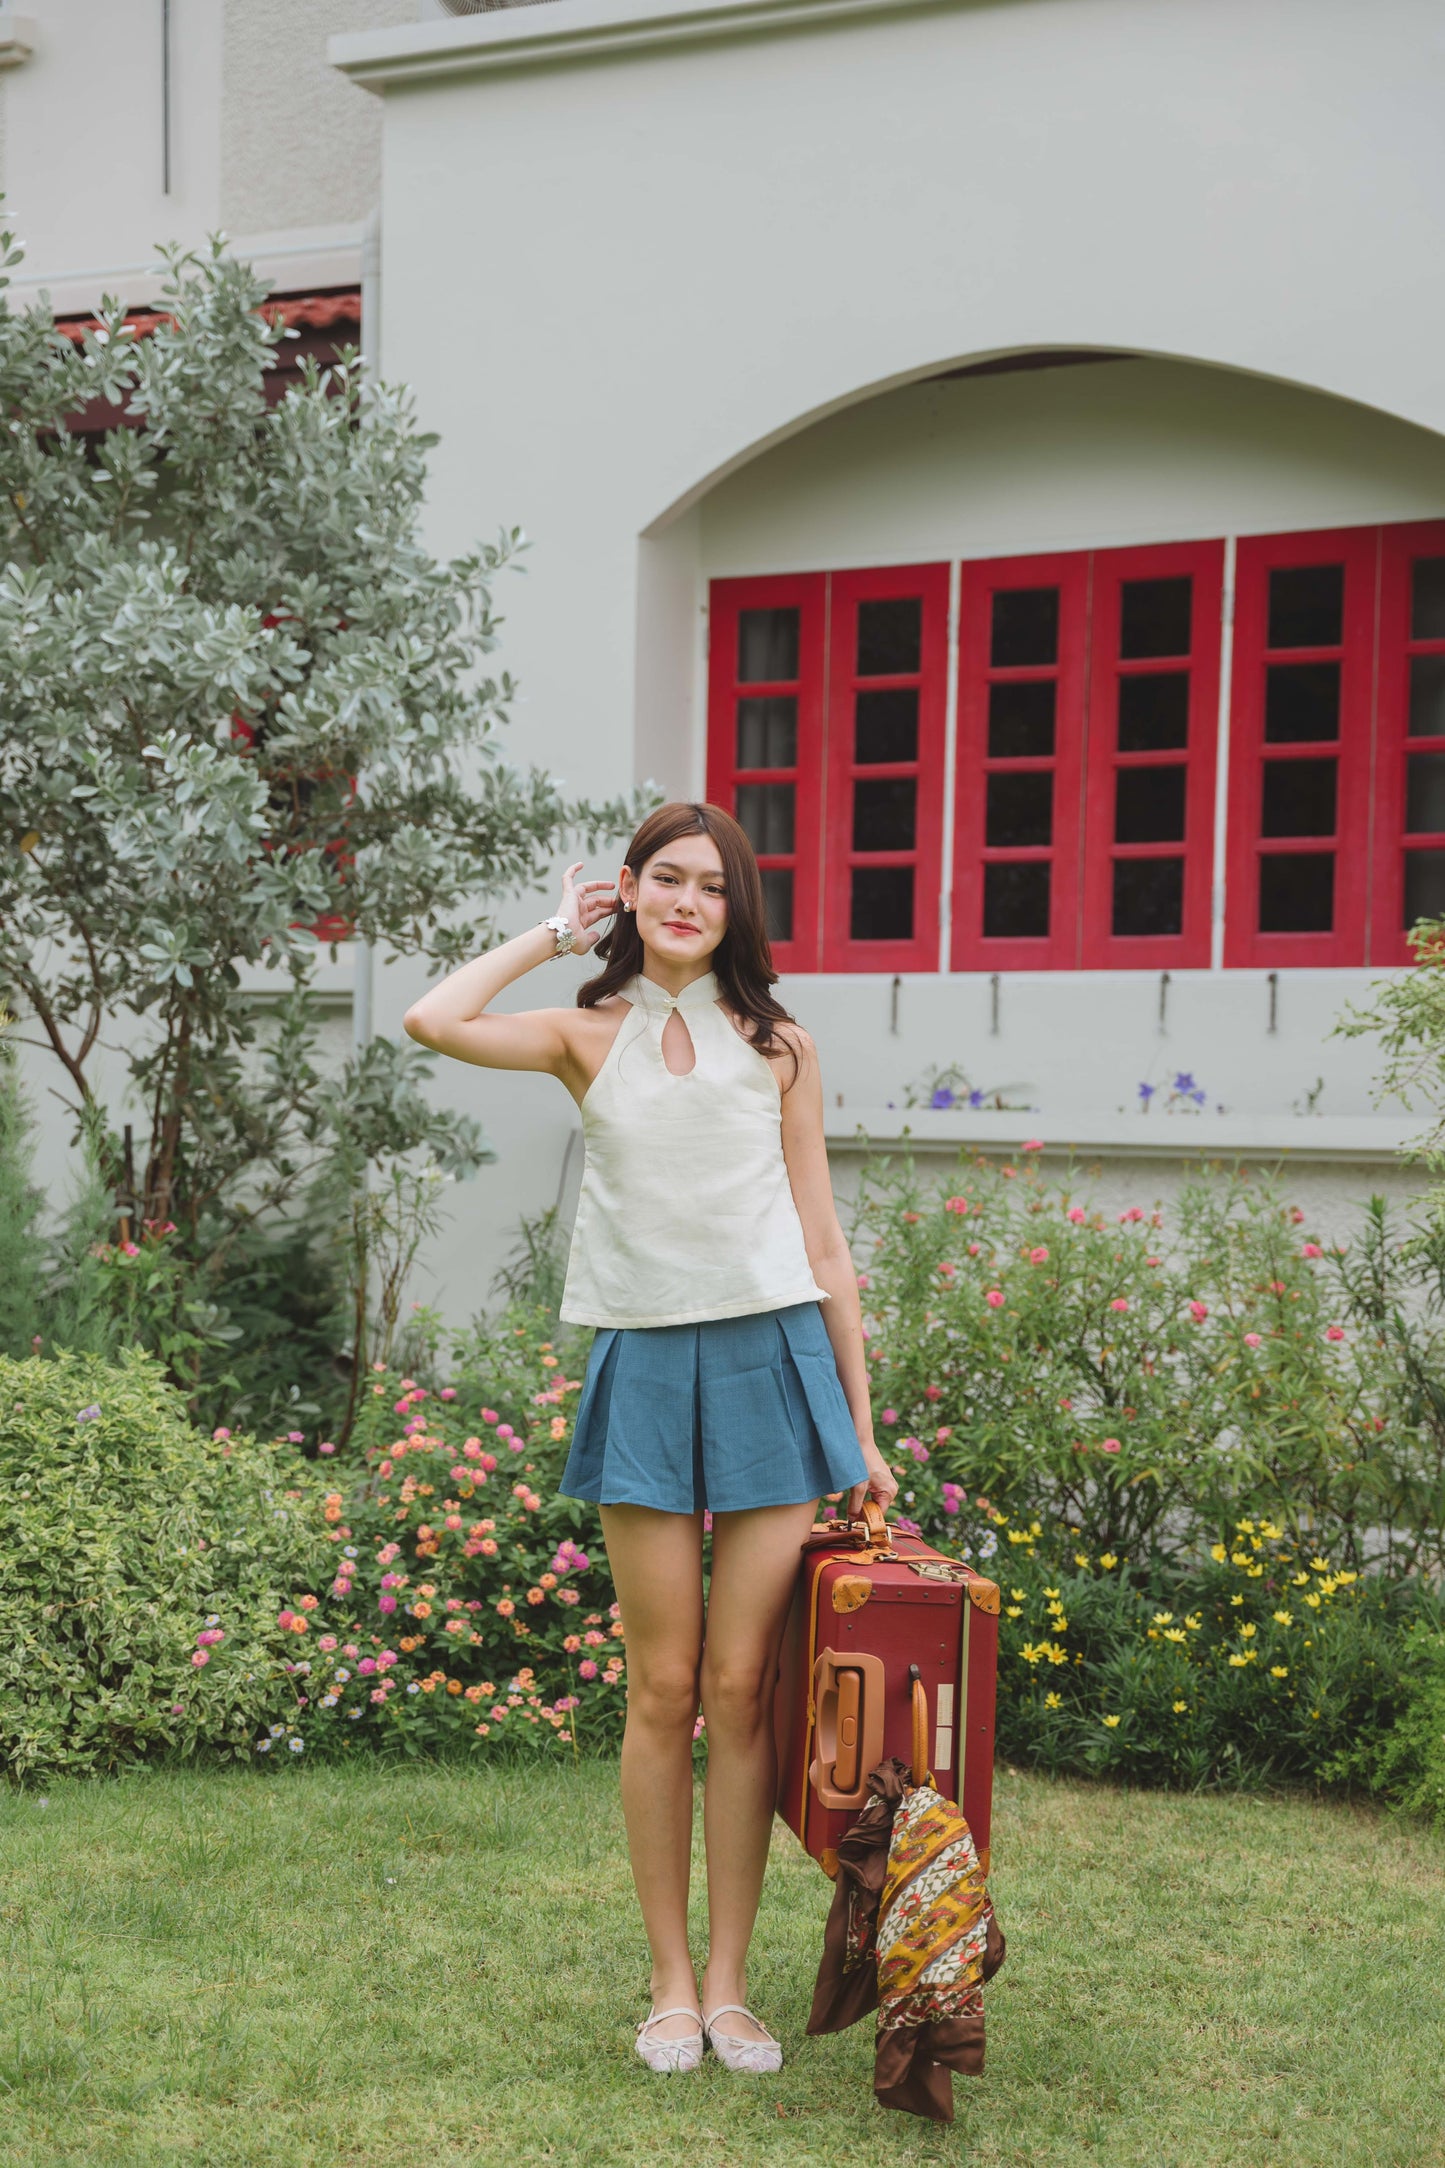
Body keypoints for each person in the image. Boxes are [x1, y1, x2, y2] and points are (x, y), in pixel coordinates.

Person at [403, 800, 897, 2076]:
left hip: (774, 1360)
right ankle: (668, 1983)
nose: (687, 900)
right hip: (643, 1359)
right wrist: (547, 931)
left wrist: (859, 1425)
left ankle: (733, 1984)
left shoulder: (778, 1044)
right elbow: (431, 1019)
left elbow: (824, 1241)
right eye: (663, 880)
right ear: (629, 892)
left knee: (740, 1690)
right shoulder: (583, 1031)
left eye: (712, 886)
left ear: (737, 910)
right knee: (662, 1686)